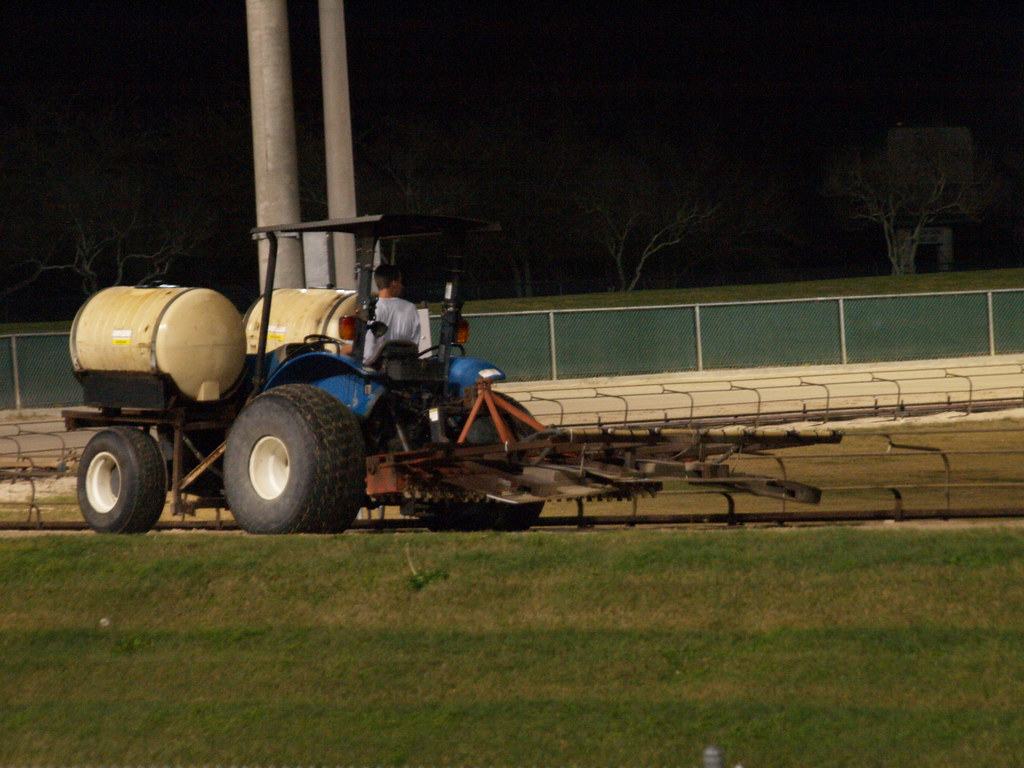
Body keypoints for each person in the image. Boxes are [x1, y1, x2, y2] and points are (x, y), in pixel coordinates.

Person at [356, 263, 421, 363]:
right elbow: (414, 343)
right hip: (403, 368)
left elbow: (355, 345)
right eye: (401, 282)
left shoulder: (368, 309)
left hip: (371, 368)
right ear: (395, 284)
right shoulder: (411, 308)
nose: (402, 286)